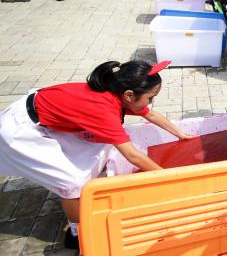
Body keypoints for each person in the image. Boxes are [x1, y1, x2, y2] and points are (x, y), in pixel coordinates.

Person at [0, 60, 190, 250]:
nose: (151, 102)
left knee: (99, 147)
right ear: (129, 95)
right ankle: (76, 233)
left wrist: (181, 134)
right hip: (20, 129)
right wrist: (168, 177)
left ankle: (89, 189)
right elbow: (132, 155)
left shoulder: (116, 91)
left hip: (45, 115)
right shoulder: (104, 109)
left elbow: (151, 115)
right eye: (151, 97)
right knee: (72, 183)